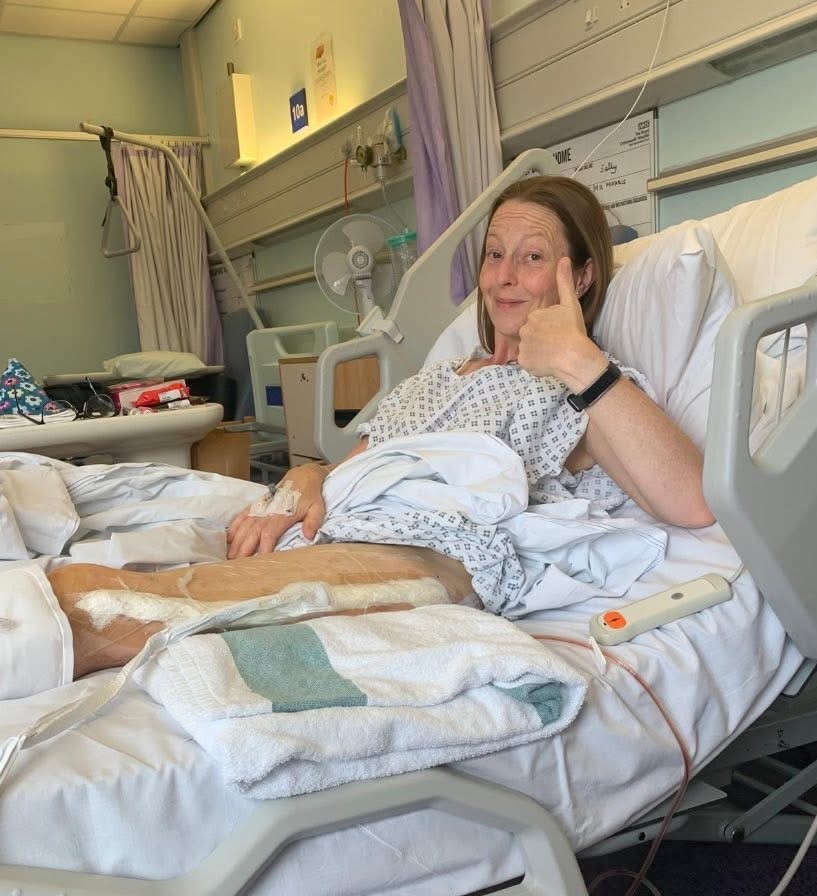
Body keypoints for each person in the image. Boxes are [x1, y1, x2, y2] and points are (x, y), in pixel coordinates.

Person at [46, 175, 713, 681]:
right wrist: (303, 480)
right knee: (92, 535)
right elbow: (353, 468)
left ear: (583, 274)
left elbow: (687, 499)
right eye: (494, 256)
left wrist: (578, 360)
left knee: (133, 608)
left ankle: (31, 640)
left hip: (432, 557)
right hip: (339, 521)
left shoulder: (588, 386)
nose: (504, 278)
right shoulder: (434, 377)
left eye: (532, 258)